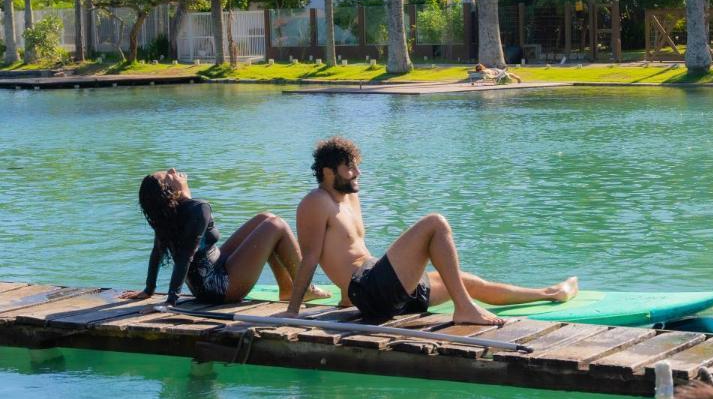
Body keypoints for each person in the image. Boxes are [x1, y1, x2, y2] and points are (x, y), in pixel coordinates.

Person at [285, 136, 577, 325]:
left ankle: (550, 293)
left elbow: (348, 250)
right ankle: (465, 308)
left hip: (380, 289)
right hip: (371, 290)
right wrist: (293, 312)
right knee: (435, 223)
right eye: (349, 168)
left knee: (466, 281)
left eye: (356, 166)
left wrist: (345, 298)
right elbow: (310, 258)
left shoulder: (350, 197)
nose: (357, 173)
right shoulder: (315, 203)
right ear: (327, 172)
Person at [120, 168, 330, 307]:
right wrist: (171, 301)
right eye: (168, 175)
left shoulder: (171, 213)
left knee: (265, 218)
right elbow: (184, 257)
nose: (173, 171)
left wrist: (149, 290)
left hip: (208, 278)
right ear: (170, 191)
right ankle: (306, 288)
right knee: (276, 225)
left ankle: (287, 289)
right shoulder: (197, 208)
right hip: (219, 287)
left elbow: (157, 252)